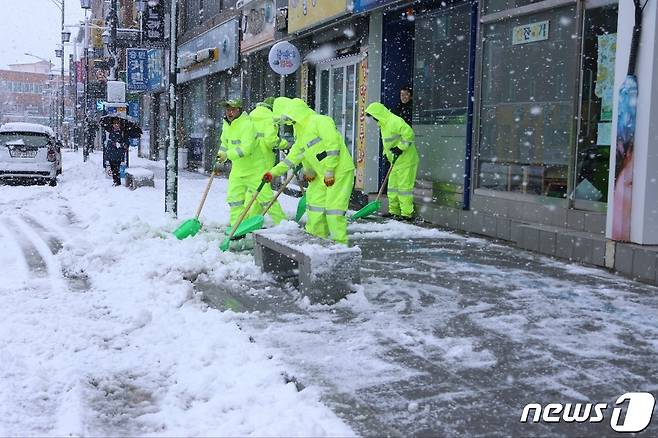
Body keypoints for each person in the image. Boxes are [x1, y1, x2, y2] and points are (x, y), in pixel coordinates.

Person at [263, 98, 355, 245]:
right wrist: (273, 172)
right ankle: (316, 239)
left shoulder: (320, 121)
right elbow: (294, 158)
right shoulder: (300, 132)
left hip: (339, 171)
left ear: (295, 113)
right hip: (320, 175)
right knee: (314, 206)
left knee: (333, 210)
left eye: (288, 118)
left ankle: (340, 244)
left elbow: (333, 145)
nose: (287, 121)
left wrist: (330, 170)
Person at [365, 102, 419, 220]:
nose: (374, 120)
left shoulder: (395, 121)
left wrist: (401, 147)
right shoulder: (384, 124)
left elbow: (409, 134)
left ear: (378, 114)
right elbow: (389, 143)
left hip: (406, 160)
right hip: (395, 161)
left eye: (374, 117)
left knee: (404, 188)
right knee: (393, 187)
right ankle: (394, 211)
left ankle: (406, 213)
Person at [215, 98, 263, 228]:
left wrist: (228, 155)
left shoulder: (247, 125)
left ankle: (283, 226)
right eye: (228, 109)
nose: (230, 112)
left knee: (265, 199)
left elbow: (246, 149)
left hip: (254, 169)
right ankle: (236, 228)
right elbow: (224, 144)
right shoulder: (227, 125)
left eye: (233, 109)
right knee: (234, 200)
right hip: (238, 169)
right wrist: (220, 158)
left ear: (239, 110)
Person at [247, 97, 288, 224]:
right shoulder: (270, 118)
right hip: (264, 159)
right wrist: (284, 144)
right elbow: (270, 141)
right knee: (264, 192)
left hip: (250, 158)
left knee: (253, 191)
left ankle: (248, 220)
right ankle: (282, 222)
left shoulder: (250, 117)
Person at [105, 120, 128, 186]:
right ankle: (115, 181)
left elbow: (126, 143)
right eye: (114, 123)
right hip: (111, 153)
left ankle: (117, 182)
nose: (116, 125)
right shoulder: (110, 132)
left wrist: (120, 144)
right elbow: (109, 141)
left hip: (118, 153)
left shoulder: (123, 133)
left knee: (116, 168)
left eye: (117, 123)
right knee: (113, 168)